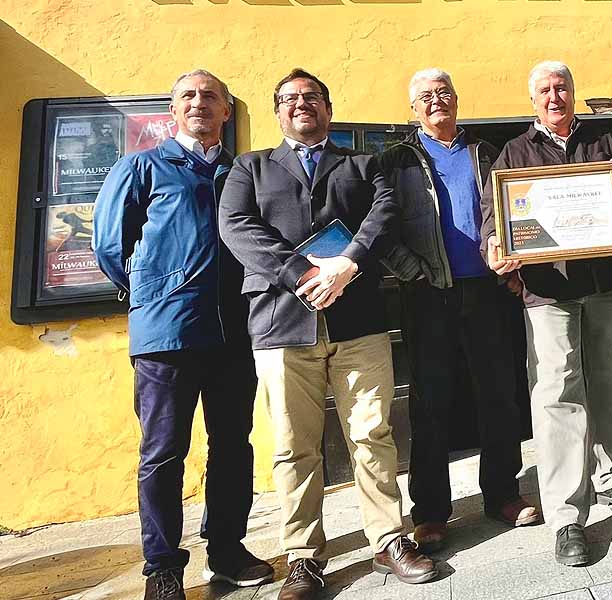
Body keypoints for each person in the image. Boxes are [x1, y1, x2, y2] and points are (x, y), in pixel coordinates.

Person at [218, 68, 436, 600]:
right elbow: (237, 227)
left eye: (311, 97)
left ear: (328, 108)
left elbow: (384, 213)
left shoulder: (363, 163)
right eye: (290, 99)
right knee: (294, 446)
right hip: (280, 322)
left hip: (357, 319)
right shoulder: (250, 167)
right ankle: (303, 558)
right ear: (277, 111)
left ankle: (388, 538)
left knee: (372, 434)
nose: (301, 105)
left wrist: (347, 264)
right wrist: (302, 273)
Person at [92, 69, 272, 600]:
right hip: (165, 336)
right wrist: (154, 293)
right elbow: (108, 246)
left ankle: (228, 550)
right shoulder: (142, 167)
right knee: (164, 452)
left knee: (233, 447)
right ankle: (163, 567)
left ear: (225, 112)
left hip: (233, 332)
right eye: (188, 96)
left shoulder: (239, 172)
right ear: (172, 113)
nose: (199, 103)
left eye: (210, 97)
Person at [480, 60, 612, 567]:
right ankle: (566, 515)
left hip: (607, 283)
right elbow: (498, 215)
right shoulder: (514, 151)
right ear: (532, 99)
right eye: (545, 90)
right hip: (548, 290)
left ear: (574, 93)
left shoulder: (605, 142)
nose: (554, 97)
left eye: (562, 88)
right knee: (557, 390)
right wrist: (496, 243)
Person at [374, 68, 541, 553]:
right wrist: (413, 271)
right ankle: (429, 512)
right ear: (413, 108)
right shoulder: (395, 161)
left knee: (499, 396)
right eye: (425, 96)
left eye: (444, 92)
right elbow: (381, 228)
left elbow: (515, 212)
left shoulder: (486, 152)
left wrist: (513, 262)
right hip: (428, 295)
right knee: (430, 405)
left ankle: (503, 495)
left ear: (457, 98)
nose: (436, 101)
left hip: (487, 291)